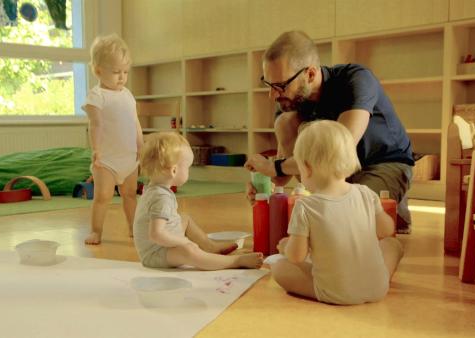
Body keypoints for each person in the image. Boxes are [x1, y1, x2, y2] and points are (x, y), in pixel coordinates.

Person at [244, 31, 414, 234]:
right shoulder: (290, 100)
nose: (273, 95)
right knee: (286, 122)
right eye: (268, 84)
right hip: (338, 174)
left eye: (280, 85)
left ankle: (392, 204)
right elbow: (281, 174)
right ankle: (370, 204)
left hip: (381, 163)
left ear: (311, 74)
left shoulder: (356, 80)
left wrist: (275, 167)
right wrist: (263, 184)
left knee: (345, 225)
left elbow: (340, 150)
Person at [271, 120, 404, 305]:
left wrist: (286, 246)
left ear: (307, 168)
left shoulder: (306, 206)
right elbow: (386, 230)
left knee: (280, 268)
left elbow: (296, 257)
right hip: (377, 288)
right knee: (392, 245)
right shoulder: (366, 193)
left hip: (336, 292)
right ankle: (378, 278)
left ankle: (335, 286)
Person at [133, 132, 263, 270]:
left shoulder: (154, 189)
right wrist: (185, 241)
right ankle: (235, 261)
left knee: (185, 219)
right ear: (174, 171)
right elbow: (156, 235)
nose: (188, 172)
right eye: (187, 167)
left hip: (161, 244)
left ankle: (210, 247)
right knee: (189, 252)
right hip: (155, 254)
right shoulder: (160, 198)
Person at [83, 34, 143, 245]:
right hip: (107, 160)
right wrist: (96, 150)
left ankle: (133, 229)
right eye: (116, 72)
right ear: (98, 70)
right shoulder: (97, 95)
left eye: (125, 72)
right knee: (102, 197)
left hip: (129, 158)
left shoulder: (127, 95)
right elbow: (95, 124)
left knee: (130, 196)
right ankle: (96, 231)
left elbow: (135, 123)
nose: (122, 77)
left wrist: (140, 146)